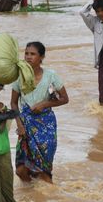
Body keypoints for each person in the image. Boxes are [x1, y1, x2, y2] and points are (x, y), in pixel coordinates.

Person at [11, 42, 69, 183]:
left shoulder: (51, 76)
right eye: (26, 53)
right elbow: (13, 103)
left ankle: (45, 198)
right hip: (26, 126)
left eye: (33, 54)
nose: (28, 57)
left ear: (41, 57)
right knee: (20, 170)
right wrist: (20, 125)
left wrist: (45, 104)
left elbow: (65, 99)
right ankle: (30, 192)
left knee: (44, 173)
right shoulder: (19, 77)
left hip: (46, 127)